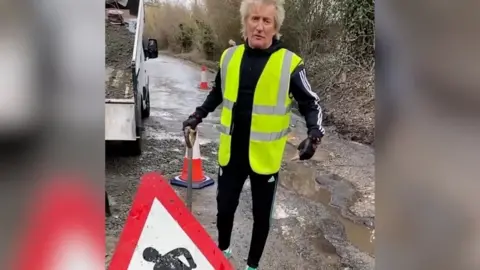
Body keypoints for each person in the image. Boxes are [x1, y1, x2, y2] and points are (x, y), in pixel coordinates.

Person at [182, 0, 324, 269]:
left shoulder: (290, 63)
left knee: (261, 216)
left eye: (266, 21)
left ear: (275, 27)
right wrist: (198, 115)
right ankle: (223, 252)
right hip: (232, 153)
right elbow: (218, 93)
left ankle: (252, 265)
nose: (259, 26)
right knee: (224, 209)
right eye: (254, 19)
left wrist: (314, 134)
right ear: (245, 22)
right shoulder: (229, 57)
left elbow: (311, 103)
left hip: (265, 158)